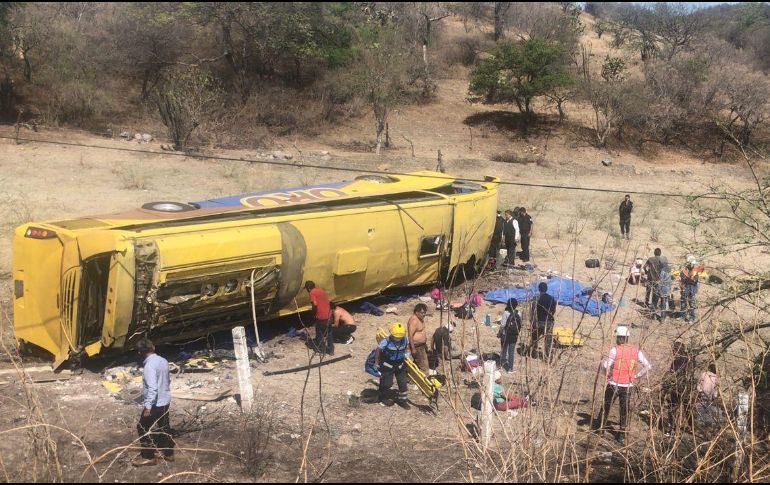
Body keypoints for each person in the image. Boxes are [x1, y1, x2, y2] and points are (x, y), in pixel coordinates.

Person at [592, 326, 652, 445]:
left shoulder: (615, 350)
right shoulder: (636, 351)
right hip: (628, 385)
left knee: (606, 406)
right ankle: (622, 435)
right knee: (624, 410)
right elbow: (648, 366)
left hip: (614, 384)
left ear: (619, 338)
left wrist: (607, 375)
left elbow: (605, 366)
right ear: (627, 338)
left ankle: (601, 430)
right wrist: (637, 376)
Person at [133, 338, 175, 467]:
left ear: (140, 352)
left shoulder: (149, 366)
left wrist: (147, 407)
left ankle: (148, 457)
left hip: (155, 403)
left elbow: (152, 388)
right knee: (164, 427)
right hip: (165, 399)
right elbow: (167, 380)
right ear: (153, 348)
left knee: (142, 427)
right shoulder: (163, 360)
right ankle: (168, 454)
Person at [375, 322, 411, 408]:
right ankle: (384, 397)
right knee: (387, 383)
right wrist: (376, 362)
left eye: (400, 337)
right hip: (388, 365)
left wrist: (407, 353)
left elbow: (407, 346)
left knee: (403, 383)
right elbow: (378, 350)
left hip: (400, 364)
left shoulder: (405, 339)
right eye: (396, 337)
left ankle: (402, 400)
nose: (398, 338)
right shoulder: (386, 341)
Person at [662, 340, 692, 435]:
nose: (672, 352)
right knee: (687, 409)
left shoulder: (676, 362)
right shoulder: (689, 360)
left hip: (677, 388)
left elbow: (672, 375)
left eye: (673, 350)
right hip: (686, 388)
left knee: (673, 408)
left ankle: (670, 429)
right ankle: (691, 427)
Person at [530, 282, 557, 361]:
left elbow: (533, 311)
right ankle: (547, 356)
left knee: (535, 337)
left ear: (539, 289)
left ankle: (534, 354)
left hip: (539, 322)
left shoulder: (536, 298)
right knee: (548, 340)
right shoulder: (552, 299)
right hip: (549, 322)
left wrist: (532, 322)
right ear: (546, 289)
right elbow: (553, 310)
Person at [305, 281, 333, 355]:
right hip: (329, 315)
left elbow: (315, 303)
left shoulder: (312, 293)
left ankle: (322, 350)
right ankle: (331, 350)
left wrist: (313, 312)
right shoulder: (321, 290)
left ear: (308, 288)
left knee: (319, 334)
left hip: (321, 316)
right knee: (329, 333)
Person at [499, 298, 522, 372]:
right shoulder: (519, 313)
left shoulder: (506, 313)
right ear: (516, 305)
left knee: (504, 348)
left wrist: (499, 333)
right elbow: (520, 324)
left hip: (506, 334)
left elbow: (502, 325)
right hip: (514, 335)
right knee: (511, 351)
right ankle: (510, 368)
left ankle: (502, 361)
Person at [407, 303, 430, 376]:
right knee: (424, 366)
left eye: (425, 312)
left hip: (422, 345)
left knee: (417, 363)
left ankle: (410, 377)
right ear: (417, 312)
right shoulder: (414, 321)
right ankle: (425, 382)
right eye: (422, 313)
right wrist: (413, 348)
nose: (424, 314)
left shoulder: (420, 319)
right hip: (417, 346)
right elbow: (410, 335)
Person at [679, 255, 700, 323]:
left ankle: (692, 318)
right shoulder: (684, 271)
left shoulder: (695, 271)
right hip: (685, 288)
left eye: (692, 264)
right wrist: (682, 287)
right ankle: (682, 316)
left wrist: (688, 279)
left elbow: (695, 280)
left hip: (692, 289)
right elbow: (682, 279)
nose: (692, 265)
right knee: (683, 303)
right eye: (691, 264)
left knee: (692, 304)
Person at [656, 257, 673, 321]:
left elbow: (661, 281)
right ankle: (665, 314)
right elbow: (671, 279)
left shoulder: (663, 270)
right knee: (666, 301)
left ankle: (663, 317)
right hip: (668, 288)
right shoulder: (669, 269)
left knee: (663, 302)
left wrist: (658, 289)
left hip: (663, 288)